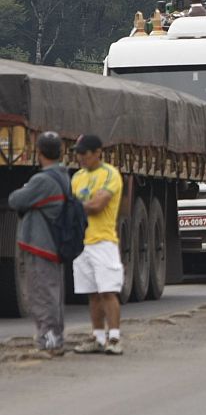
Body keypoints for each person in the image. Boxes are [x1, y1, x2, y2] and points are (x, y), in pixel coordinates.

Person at [8, 132, 69, 357]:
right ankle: (55, 336)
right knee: (52, 291)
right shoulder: (62, 176)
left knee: (42, 293)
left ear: (39, 152)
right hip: (52, 244)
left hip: (42, 244)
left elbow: (16, 199)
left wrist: (25, 189)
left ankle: (49, 338)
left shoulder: (43, 180)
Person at [70, 135, 126, 355]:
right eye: (78, 153)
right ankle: (98, 336)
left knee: (108, 292)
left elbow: (97, 205)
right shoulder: (76, 178)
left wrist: (75, 207)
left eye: (84, 153)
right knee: (92, 293)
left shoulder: (109, 174)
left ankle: (114, 337)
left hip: (103, 241)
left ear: (97, 152)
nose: (80, 157)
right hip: (83, 243)